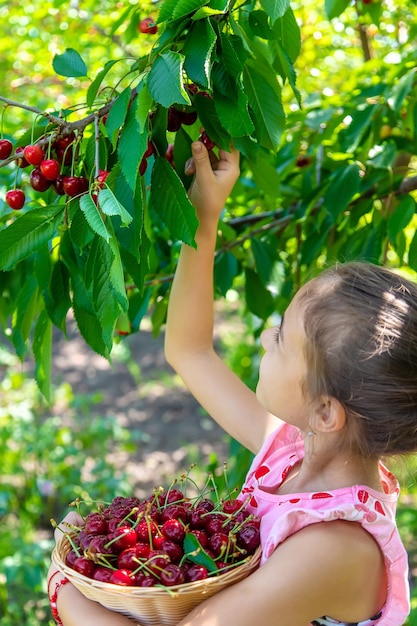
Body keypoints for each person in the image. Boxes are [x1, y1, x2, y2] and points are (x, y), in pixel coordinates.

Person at [47, 141, 415, 626]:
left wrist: (63, 587)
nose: (265, 334)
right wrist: (202, 216)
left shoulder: (335, 547)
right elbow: (189, 351)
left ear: (326, 411)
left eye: (282, 337)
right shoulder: (291, 451)